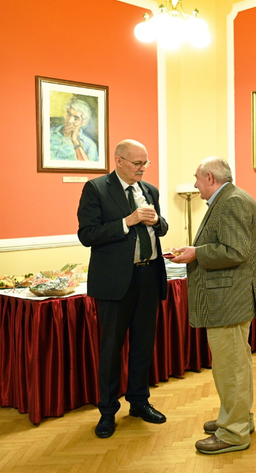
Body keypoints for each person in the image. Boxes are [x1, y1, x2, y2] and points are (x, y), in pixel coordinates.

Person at [172, 157, 256, 454]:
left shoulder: (231, 202)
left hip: (229, 299)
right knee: (236, 364)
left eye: (197, 178)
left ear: (209, 177)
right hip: (234, 297)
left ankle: (233, 432)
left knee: (230, 368)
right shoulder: (233, 198)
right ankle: (239, 418)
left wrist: (196, 253)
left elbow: (235, 251)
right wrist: (197, 251)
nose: (195, 184)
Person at [76, 139, 169, 439]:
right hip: (115, 282)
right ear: (119, 161)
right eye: (137, 163)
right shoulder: (96, 189)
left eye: (145, 163)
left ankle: (139, 402)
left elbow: (162, 228)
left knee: (143, 345)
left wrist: (158, 221)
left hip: (149, 277)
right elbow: (87, 234)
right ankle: (107, 412)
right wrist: (127, 221)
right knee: (111, 349)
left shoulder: (150, 190)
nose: (143, 168)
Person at [50, 96, 98, 161]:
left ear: (83, 122)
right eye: (69, 114)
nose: (70, 120)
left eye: (76, 118)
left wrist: (75, 141)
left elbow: (89, 166)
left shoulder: (89, 145)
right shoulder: (49, 133)